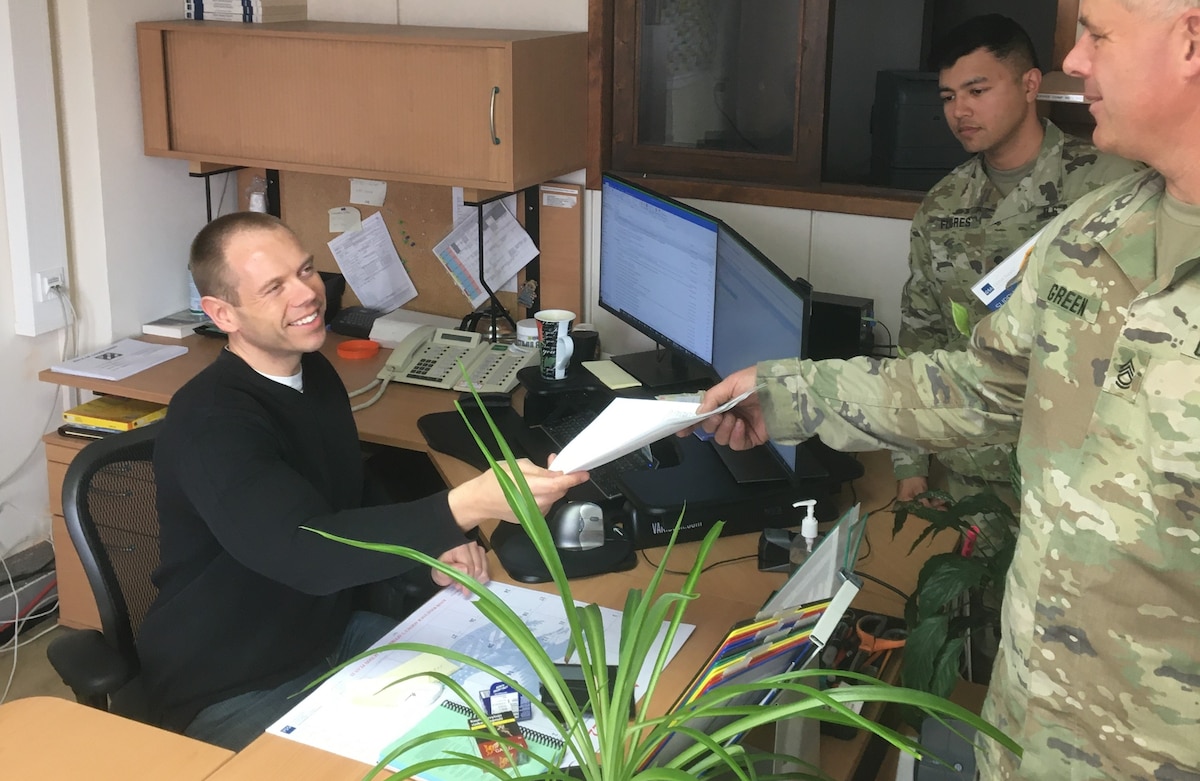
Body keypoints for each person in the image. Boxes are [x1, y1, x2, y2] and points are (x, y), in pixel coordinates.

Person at [688, 0, 1200, 777]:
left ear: (1191, 38)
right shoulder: (1098, 231)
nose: (1077, 61)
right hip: (1034, 722)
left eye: (1097, 32)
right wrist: (788, 394)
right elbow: (978, 380)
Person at [137, 212, 588, 750]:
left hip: (329, 636)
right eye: (274, 287)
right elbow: (305, 553)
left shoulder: (313, 372)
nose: (306, 294)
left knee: (525, 712)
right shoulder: (212, 424)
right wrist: (459, 508)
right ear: (222, 313)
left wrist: (433, 542)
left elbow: (347, 489)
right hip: (233, 681)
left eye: (305, 271)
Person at [894, 14, 1143, 514]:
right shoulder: (943, 205)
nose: (960, 110)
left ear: (1030, 84)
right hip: (974, 468)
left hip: (1083, 474)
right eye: (948, 97)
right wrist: (910, 463)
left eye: (977, 90)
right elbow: (922, 334)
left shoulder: (1109, 187)